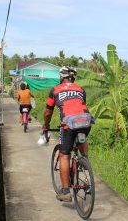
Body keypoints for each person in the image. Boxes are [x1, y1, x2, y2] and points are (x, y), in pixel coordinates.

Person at [42, 66, 93, 202]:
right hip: (86, 122)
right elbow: (80, 107)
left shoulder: (55, 90)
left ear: (61, 77)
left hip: (69, 124)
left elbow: (48, 112)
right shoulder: (81, 90)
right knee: (81, 139)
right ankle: (85, 163)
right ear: (73, 78)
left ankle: (65, 191)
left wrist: (45, 126)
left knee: (65, 156)